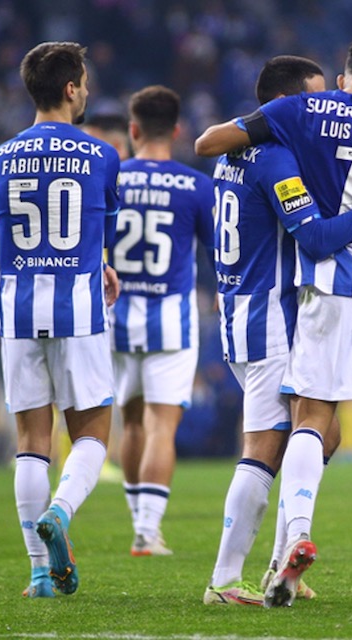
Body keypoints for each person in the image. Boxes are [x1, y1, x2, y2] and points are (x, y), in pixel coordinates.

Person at [196, 33, 352, 606]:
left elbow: (210, 139)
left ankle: (289, 549)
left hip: (300, 293)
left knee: (318, 424)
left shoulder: (291, 122)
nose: (330, 98)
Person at [0, 41, 121, 598]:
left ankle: (40, 573)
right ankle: (61, 514)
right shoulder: (101, 155)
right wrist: (104, 266)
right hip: (79, 307)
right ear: (70, 89)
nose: (87, 89)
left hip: (17, 309)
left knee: (30, 441)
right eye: (84, 81)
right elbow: (100, 229)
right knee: (91, 433)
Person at [108, 85, 216, 556]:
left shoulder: (110, 178)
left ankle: (140, 525)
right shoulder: (196, 185)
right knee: (161, 427)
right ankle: (148, 531)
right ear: (177, 130)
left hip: (115, 318)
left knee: (130, 423)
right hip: (171, 320)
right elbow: (220, 251)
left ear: (132, 130)